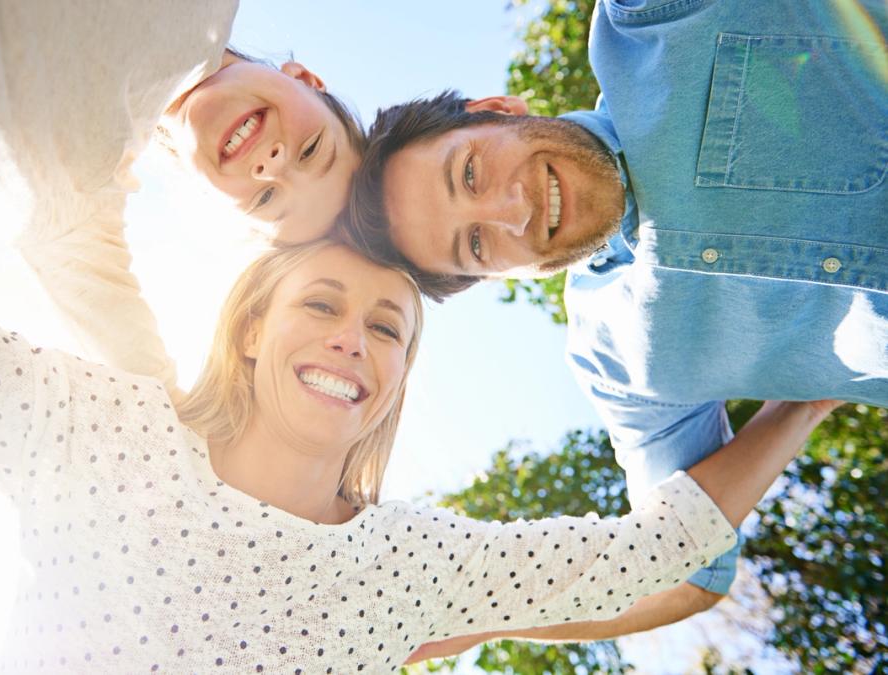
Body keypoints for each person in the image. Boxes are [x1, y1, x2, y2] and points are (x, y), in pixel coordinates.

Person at [0, 217, 838, 672]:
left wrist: (804, 398)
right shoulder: (111, 436)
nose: (352, 338)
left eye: (387, 328)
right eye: (323, 304)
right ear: (250, 328)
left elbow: (653, 554)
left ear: (398, 380)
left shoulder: (412, 563)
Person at [341, 0, 888, 639]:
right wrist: (434, 628)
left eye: (470, 173)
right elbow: (682, 573)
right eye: (478, 246)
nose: (512, 212)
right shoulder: (618, 360)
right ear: (494, 278)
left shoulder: (652, 22)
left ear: (497, 111)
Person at [0, 0, 363, 402]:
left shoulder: (72, 194)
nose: (273, 165)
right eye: (312, 149)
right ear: (307, 79)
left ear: (218, 203)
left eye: (267, 197)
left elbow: (157, 410)